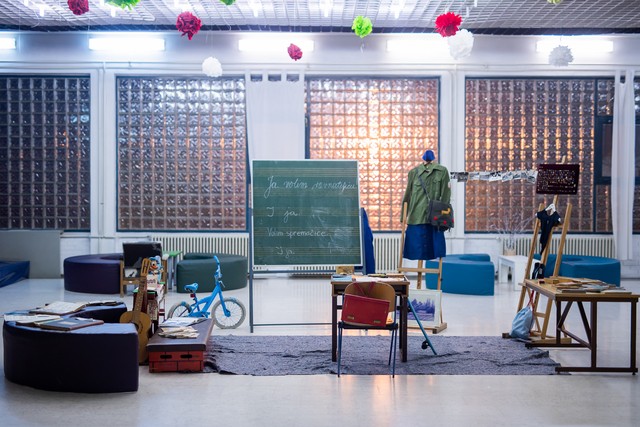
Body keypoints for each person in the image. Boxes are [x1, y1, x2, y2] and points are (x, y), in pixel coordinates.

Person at [401, 149, 451, 261]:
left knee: (434, 249)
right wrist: (403, 217)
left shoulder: (442, 171)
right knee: (415, 249)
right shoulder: (413, 173)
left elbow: (446, 195)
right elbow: (407, 195)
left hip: (434, 219)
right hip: (416, 217)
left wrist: (443, 217)